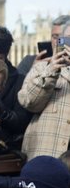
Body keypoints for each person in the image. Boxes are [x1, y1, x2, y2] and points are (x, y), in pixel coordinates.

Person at [18, 24, 70, 159]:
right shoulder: (41, 68)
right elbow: (29, 102)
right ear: (61, 41)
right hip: (46, 155)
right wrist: (51, 71)